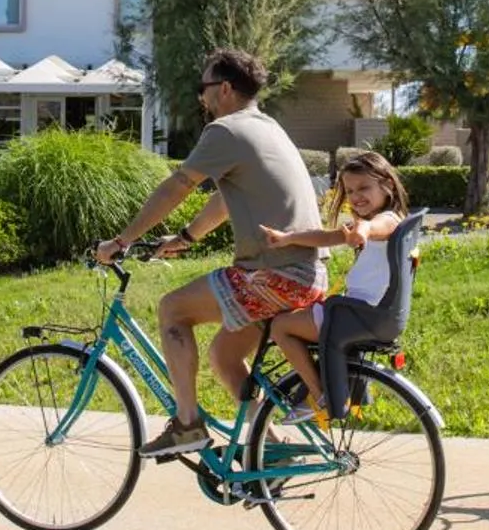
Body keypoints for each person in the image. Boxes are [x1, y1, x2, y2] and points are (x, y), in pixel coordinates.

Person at [93, 48, 325, 457]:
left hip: (274, 276)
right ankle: (265, 447)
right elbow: (225, 198)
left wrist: (121, 240)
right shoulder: (267, 127)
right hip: (304, 275)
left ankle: (186, 426)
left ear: (223, 89)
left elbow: (177, 186)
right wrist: (185, 237)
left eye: (203, 89)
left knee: (172, 310)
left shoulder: (226, 130)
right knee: (224, 354)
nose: (200, 98)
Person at [255, 150, 410, 423]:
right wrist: (288, 238)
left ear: (386, 184)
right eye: (350, 190)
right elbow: (327, 236)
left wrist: (363, 231)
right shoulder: (383, 219)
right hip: (372, 315)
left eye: (364, 188)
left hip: (359, 316)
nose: (356, 196)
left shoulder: (387, 220)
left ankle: (317, 395)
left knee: (280, 326)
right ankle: (315, 388)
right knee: (301, 319)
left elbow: (376, 227)